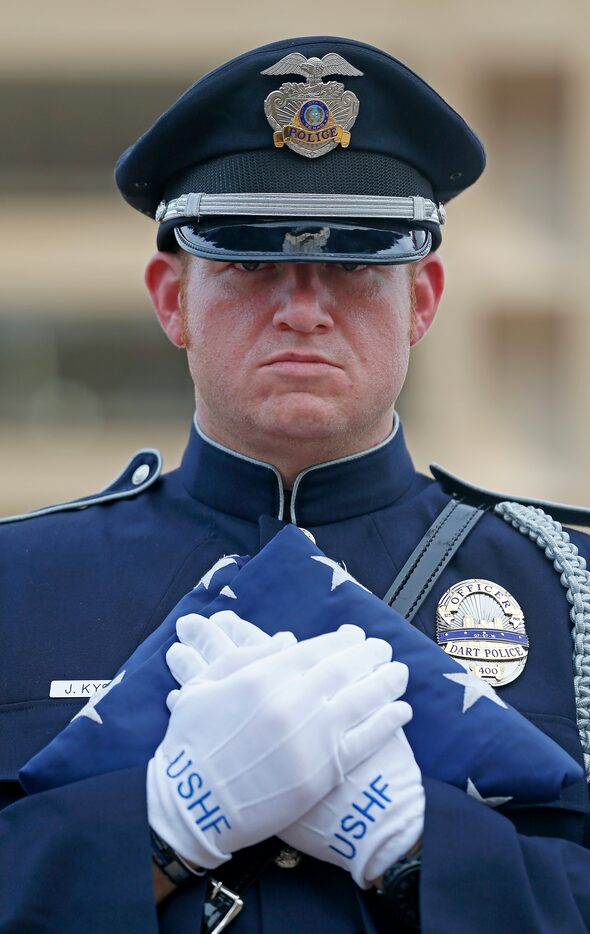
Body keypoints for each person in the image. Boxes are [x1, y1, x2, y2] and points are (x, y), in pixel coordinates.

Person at [2, 34, 590, 933]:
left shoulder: (568, 585)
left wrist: (419, 851)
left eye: (355, 264)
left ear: (424, 299)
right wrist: (155, 832)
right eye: (248, 262)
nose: (304, 308)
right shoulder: (19, 583)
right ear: (171, 299)